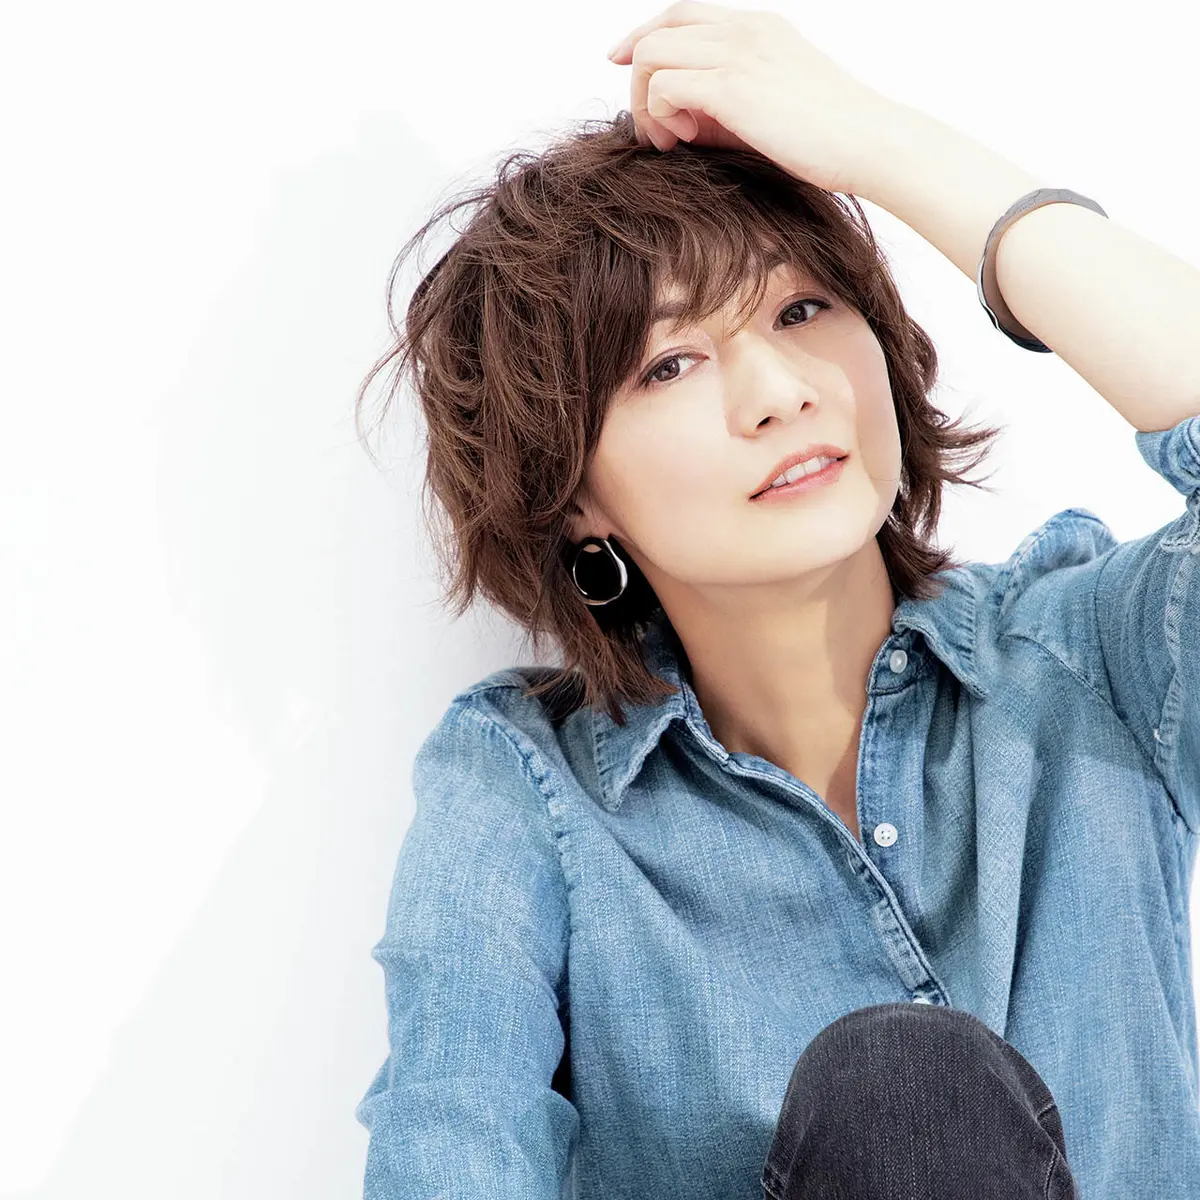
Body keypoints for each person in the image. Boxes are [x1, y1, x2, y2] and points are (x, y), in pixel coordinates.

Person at [353, 7, 1200, 1197]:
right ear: (574, 493)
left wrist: (878, 142)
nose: (778, 393)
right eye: (668, 364)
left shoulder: (1095, 658)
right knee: (901, 1095)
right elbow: (449, 1144)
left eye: (802, 311)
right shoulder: (527, 793)